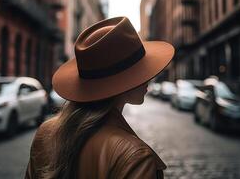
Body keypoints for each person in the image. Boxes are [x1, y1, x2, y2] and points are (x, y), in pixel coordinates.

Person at [25, 17, 175, 179]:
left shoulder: (45, 133)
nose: (148, 78)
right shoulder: (134, 157)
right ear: (124, 81)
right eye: (140, 70)